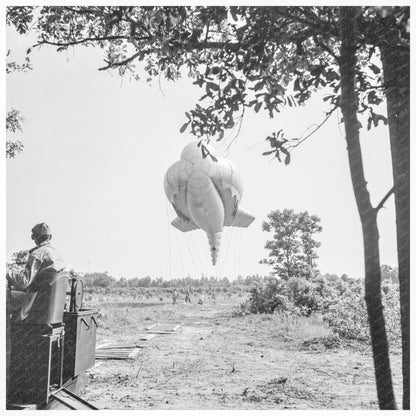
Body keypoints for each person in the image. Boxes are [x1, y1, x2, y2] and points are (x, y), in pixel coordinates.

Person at [6, 223, 66, 321]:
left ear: (34, 237)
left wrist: (8, 273)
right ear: (50, 237)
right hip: (49, 302)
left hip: (35, 300)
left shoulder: (37, 254)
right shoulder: (55, 253)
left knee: (4, 295)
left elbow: (24, 282)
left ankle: (8, 331)